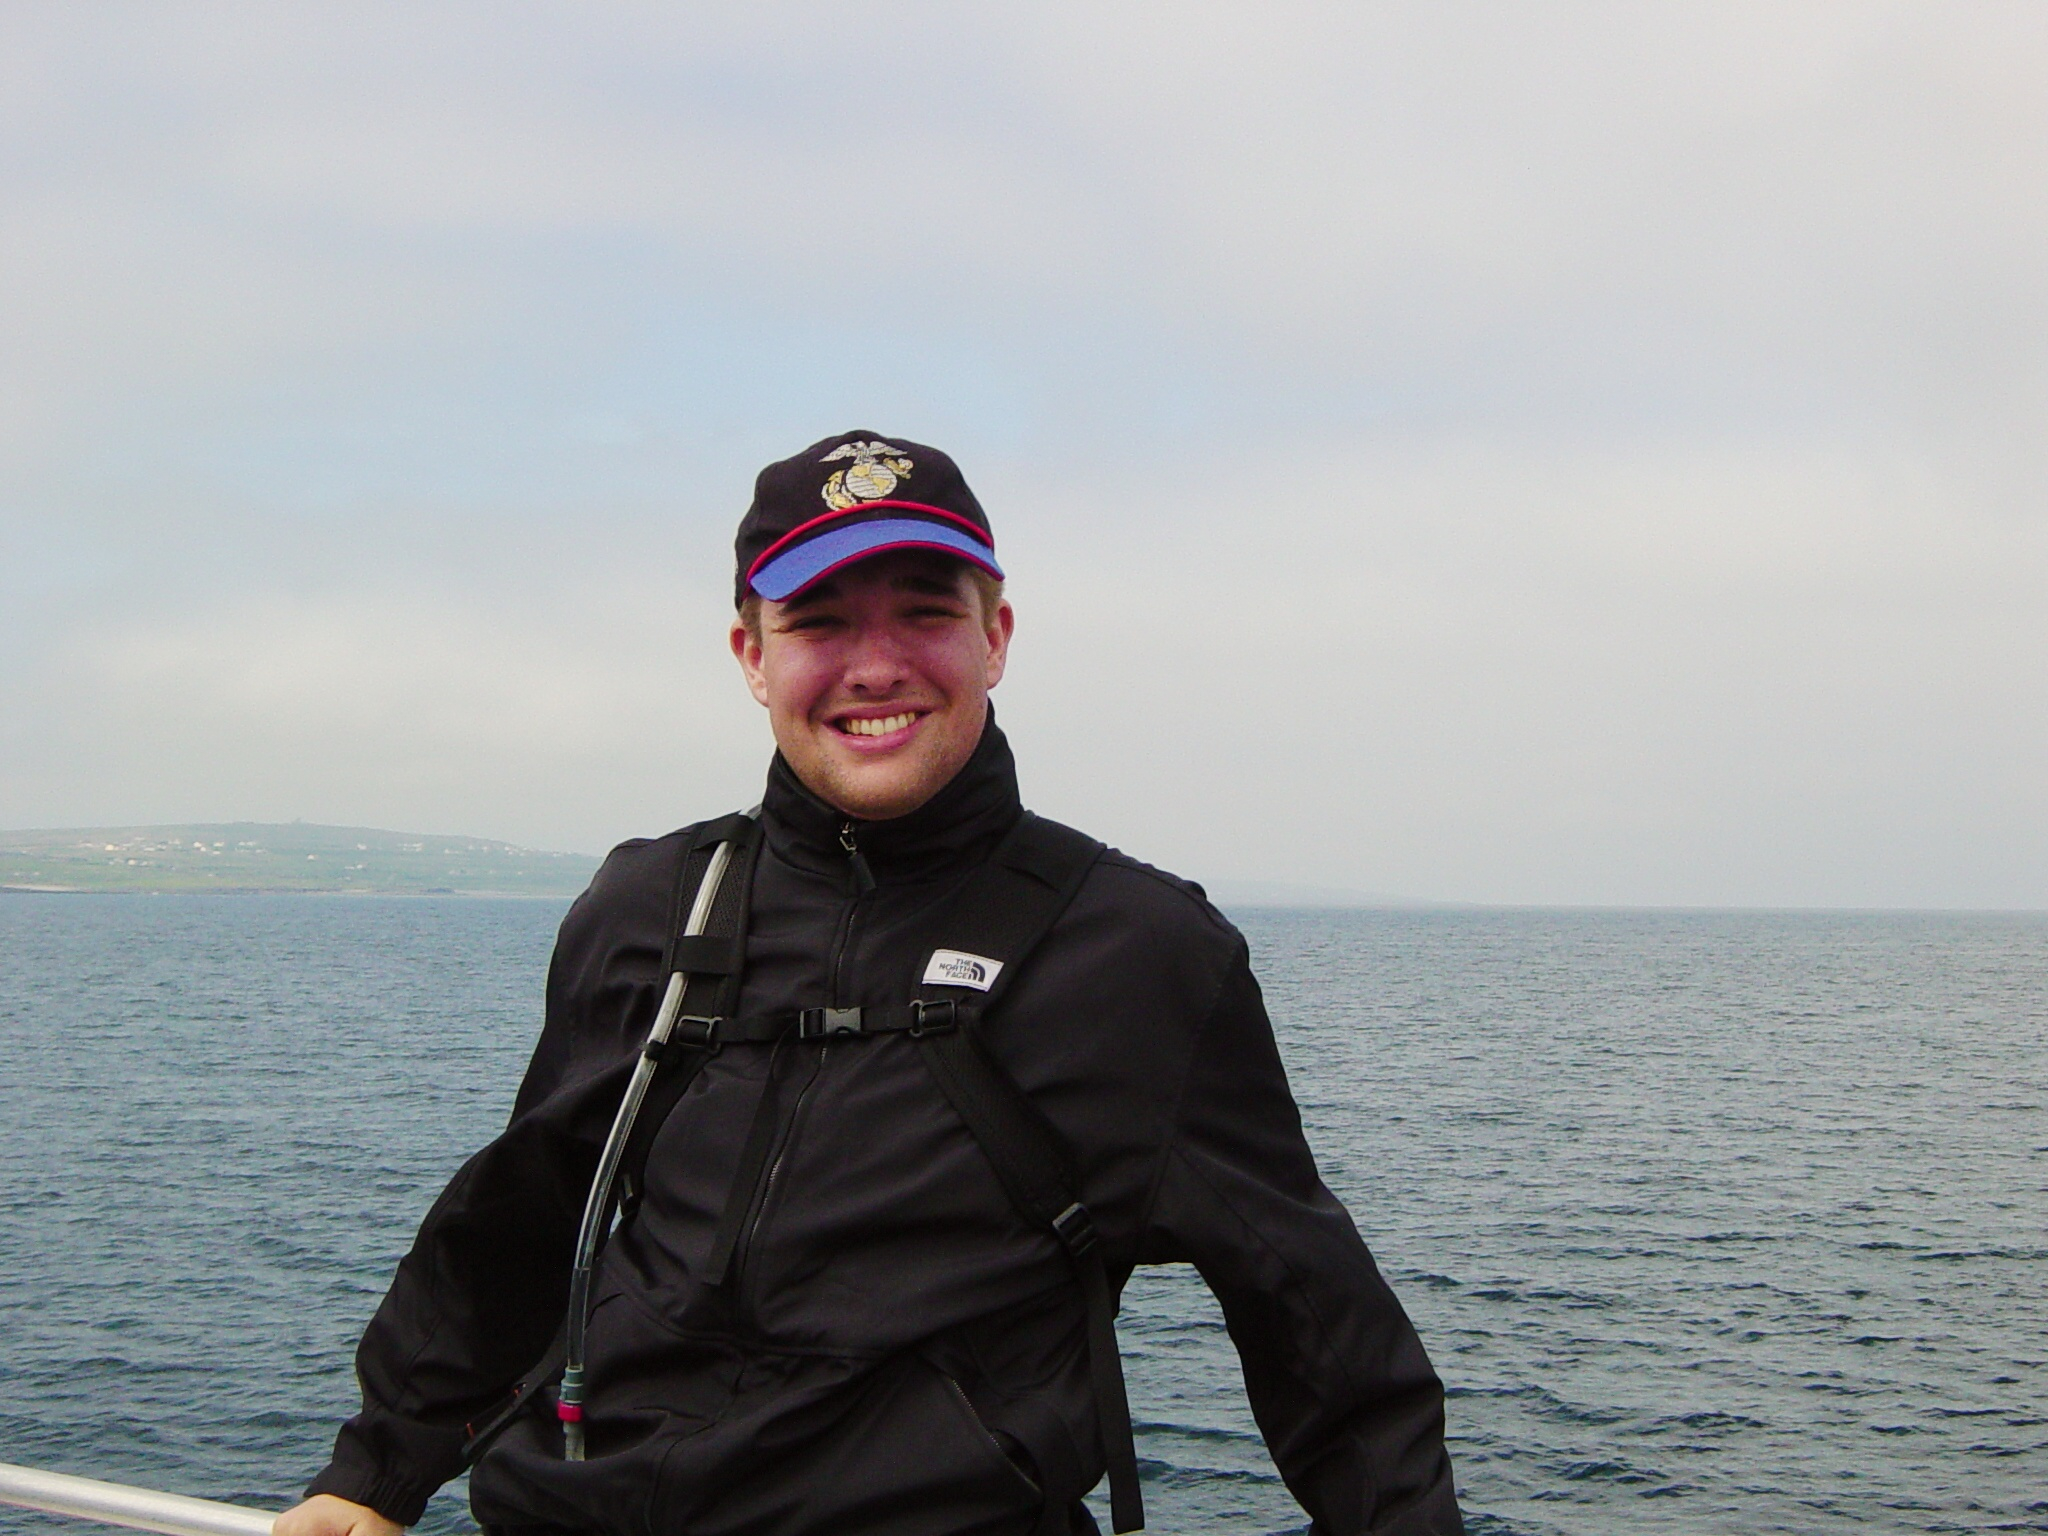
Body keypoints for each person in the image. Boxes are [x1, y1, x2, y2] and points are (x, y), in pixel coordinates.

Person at [275, 432, 1464, 1536]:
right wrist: (374, 1474)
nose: (875, 665)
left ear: (995, 637)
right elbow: (521, 1222)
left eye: (926, 612)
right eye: (819, 621)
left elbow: (1309, 1315)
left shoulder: (1141, 950)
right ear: (753, 656)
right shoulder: (649, 906)